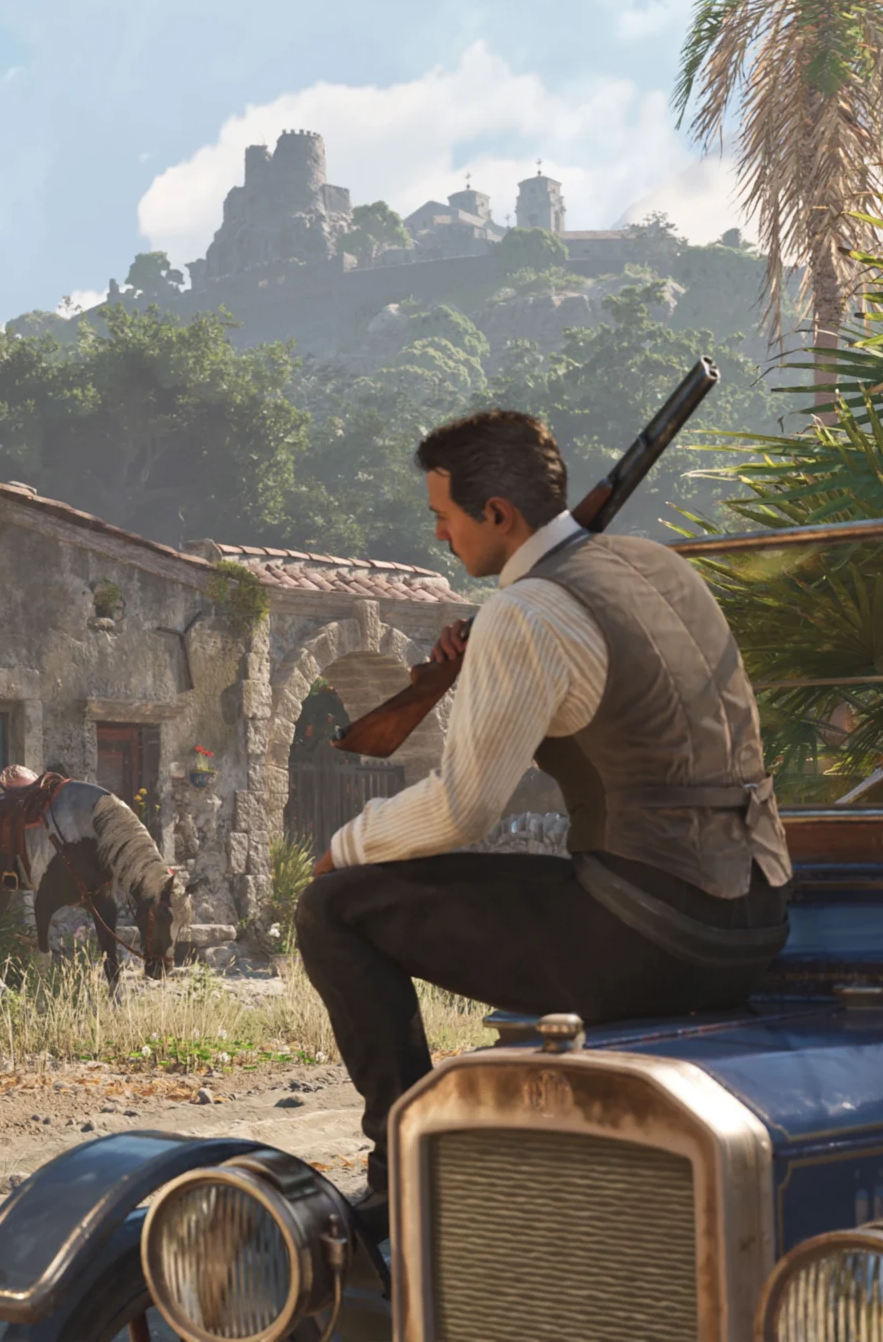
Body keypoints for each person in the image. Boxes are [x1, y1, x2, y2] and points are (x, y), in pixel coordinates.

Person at [293, 410, 789, 1236]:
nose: (442, 539)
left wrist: (341, 849)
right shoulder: (661, 569)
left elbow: (463, 808)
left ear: (498, 517)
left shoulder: (529, 612)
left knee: (333, 908)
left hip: (649, 938)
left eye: (445, 518)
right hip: (756, 921)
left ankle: (399, 1167)